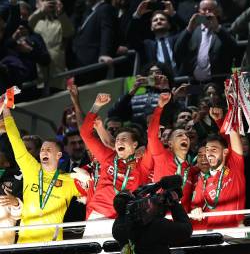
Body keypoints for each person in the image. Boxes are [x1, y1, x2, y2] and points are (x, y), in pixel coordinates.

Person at [3, 105, 80, 243]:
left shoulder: (70, 181)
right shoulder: (31, 168)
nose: (44, 152)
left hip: (52, 248)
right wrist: (6, 109)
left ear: (59, 155)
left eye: (49, 149)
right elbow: (15, 140)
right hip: (25, 245)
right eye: (42, 149)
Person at [80, 93, 153, 219]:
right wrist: (96, 106)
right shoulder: (108, 156)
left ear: (135, 144)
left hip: (128, 217)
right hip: (99, 214)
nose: (119, 141)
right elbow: (85, 134)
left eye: (124, 139)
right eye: (117, 139)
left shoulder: (142, 163)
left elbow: (154, 146)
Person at [147, 93, 198, 210]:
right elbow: (151, 136)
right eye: (180, 135)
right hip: (160, 217)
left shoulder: (190, 169)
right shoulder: (162, 156)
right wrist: (159, 107)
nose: (185, 137)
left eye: (186, 136)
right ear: (170, 143)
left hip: (180, 221)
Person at [190, 123, 245, 229]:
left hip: (235, 231)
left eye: (214, 149)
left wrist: (226, 115)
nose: (209, 153)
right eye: (207, 150)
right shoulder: (203, 179)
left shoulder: (234, 168)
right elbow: (196, 205)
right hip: (213, 233)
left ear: (225, 152)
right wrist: (196, 210)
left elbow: (233, 133)